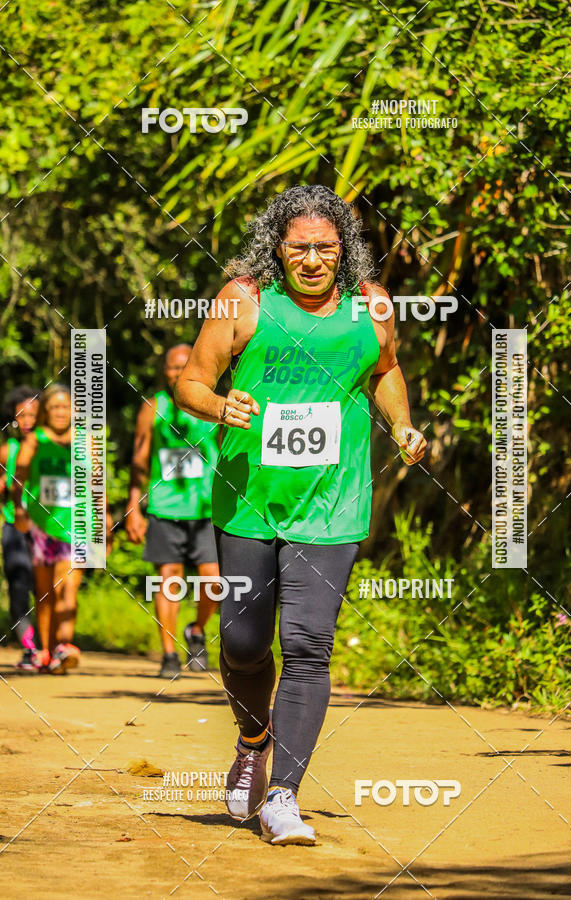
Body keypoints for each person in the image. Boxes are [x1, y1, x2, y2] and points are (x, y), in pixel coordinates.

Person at [175, 184, 427, 845]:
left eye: (325, 247)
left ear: (343, 248)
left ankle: (283, 796)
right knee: (243, 644)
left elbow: (386, 371)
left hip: (332, 502)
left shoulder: (371, 305)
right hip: (249, 500)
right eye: (299, 248)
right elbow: (191, 382)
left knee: (309, 645)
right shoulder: (244, 299)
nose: (312, 259)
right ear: (277, 248)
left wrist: (401, 423)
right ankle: (252, 739)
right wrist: (218, 406)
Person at [126, 345, 220, 678]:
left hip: (206, 508)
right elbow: (139, 460)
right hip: (165, 508)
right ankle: (168, 654)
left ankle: (196, 629)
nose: (179, 371)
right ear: (164, 370)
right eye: (172, 366)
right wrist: (133, 508)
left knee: (214, 580)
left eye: (185, 365)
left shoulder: (212, 403)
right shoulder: (154, 407)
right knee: (169, 579)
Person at [12, 384, 112, 673]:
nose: (60, 412)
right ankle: (46, 650)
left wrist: (105, 520)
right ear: (46, 411)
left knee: (67, 585)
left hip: (79, 523)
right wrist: (18, 508)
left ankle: (63, 645)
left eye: (65, 407)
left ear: (74, 411)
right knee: (44, 592)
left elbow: (97, 483)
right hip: (42, 525)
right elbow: (19, 477)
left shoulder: (87, 440)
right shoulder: (35, 440)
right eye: (54, 407)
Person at [0, 386, 40, 670]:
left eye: (32, 414)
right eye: (21, 414)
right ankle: (30, 648)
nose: (26, 420)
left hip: (46, 528)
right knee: (18, 585)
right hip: (14, 526)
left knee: (45, 586)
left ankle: (50, 646)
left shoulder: (51, 447)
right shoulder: (7, 451)